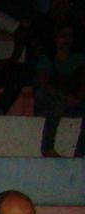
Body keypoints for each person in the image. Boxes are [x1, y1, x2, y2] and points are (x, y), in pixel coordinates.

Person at [34, 23, 85, 158]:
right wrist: (62, 96)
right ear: (56, 38)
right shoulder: (47, 58)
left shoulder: (78, 59)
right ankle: (48, 148)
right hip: (49, 99)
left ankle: (81, 153)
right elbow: (43, 83)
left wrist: (79, 97)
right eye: (63, 36)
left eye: (70, 36)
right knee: (56, 104)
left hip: (70, 100)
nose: (67, 39)